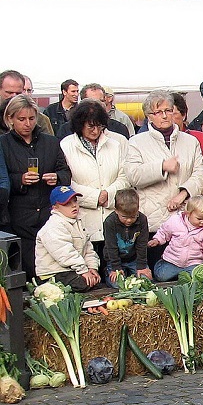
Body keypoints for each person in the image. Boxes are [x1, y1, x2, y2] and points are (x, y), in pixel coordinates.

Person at [127, 90, 203, 265]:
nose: (164, 116)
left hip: (187, 221)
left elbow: (201, 176)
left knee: (187, 277)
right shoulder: (136, 142)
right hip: (155, 221)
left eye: (168, 110)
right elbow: (133, 176)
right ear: (149, 116)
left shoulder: (190, 141)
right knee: (160, 276)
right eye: (158, 112)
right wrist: (162, 167)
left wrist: (183, 193)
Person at [1, 93, 71, 281]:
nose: (27, 123)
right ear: (10, 119)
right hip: (20, 218)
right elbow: (3, 178)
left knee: (51, 272)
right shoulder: (3, 144)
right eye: (21, 119)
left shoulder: (51, 142)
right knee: (28, 270)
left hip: (49, 215)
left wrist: (56, 178)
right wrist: (20, 180)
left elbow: (65, 173)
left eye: (31, 118)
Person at [59, 99, 129, 267]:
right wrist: (95, 197)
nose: (96, 131)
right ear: (80, 124)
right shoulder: (66, 145)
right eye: (91, 126)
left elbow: (125, 177)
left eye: (99, 126)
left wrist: (108, 194)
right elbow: (67, 182)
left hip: (112, 220)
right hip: (82, 220)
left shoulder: (116, 145)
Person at [35, 186, 99, 291]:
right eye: (67, 203)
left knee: (94, 279)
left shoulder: (78, 222)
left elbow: (88, 249)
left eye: (75, 201)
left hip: (73, 270)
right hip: (53, 273)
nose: (74, 205)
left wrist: (92, 268)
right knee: (83, 283)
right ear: (55, 207)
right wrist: (83, 271)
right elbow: (65, 253)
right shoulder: (53, 226)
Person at [148, 195, 203, 281]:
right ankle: (162, 265)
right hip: (173, 261)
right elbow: (164, 231)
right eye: (199, 219)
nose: (202, 222)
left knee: (197, 278)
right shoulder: (176, 221)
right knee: (162, 276)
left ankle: (183, 276)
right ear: (188, 213)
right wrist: (157, 239)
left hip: (193, 263)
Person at [102, 188, 151, 286]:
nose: (129, 220)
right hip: (115, 260)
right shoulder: (109, 222)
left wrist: (142, 266)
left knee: (145, 282)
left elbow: (142, 244)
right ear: (116, 211)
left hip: (134, 259)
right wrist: (116, 268)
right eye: (124, 217)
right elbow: (111, 246)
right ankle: (108, 271)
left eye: (133, 216)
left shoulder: (142, 219)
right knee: (117, 284)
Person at [55, 83, 129, 142]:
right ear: (83, 103)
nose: (99, 105)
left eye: (101, 101)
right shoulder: (67, 130)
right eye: (94, 102)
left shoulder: (119, 129)